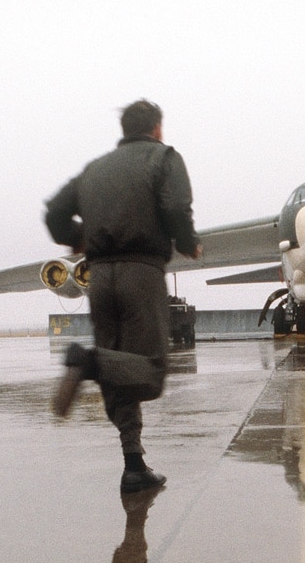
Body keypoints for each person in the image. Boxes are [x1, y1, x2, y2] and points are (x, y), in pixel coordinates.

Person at [45, 99, 202, 493]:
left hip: (99, 278)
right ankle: (87, 360)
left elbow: (53, 213)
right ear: (157, 128)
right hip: (141, 273)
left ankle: (134, 464)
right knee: (149, 371)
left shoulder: (94, 169)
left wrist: (77, 237)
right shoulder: (164, 157)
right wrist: (187, 241)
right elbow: (176, 205)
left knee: (119, 371)